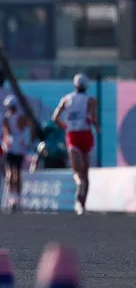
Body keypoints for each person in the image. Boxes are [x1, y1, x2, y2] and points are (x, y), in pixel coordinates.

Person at [52, 73, 99, 216]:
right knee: (85, 172)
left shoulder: (66, 99)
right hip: (86, 135)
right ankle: (82, 202)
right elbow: (91, 116)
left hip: (73, 136)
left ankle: (80, 195)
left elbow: (55, 117)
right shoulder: (90, 100)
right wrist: (96, 126)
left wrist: (66, 127)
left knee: (78, 171)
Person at [3, 94, 33, 213]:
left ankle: (12, 197)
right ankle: (17, 198)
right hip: (19, 145)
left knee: (11, 172)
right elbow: (30, 127)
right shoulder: (22, 117)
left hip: (11, 146)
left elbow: (6, 132)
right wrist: (29, 140)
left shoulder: (7, 117)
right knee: (17, 172)